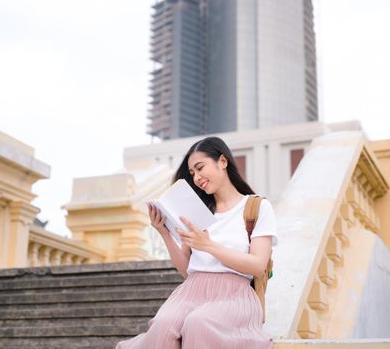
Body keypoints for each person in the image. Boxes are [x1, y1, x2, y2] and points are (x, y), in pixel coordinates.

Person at [116, 136, 278, 349]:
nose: (197, 177)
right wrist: (164, 233)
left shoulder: (257, 207)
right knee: (163, 325)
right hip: (191, 290)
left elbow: (257, 265)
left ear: (222, 161)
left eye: (200, 168)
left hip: (234, 294)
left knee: (199, 323)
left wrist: (209, 245)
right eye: (192, 173)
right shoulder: (196, 210)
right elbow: (186, 270)